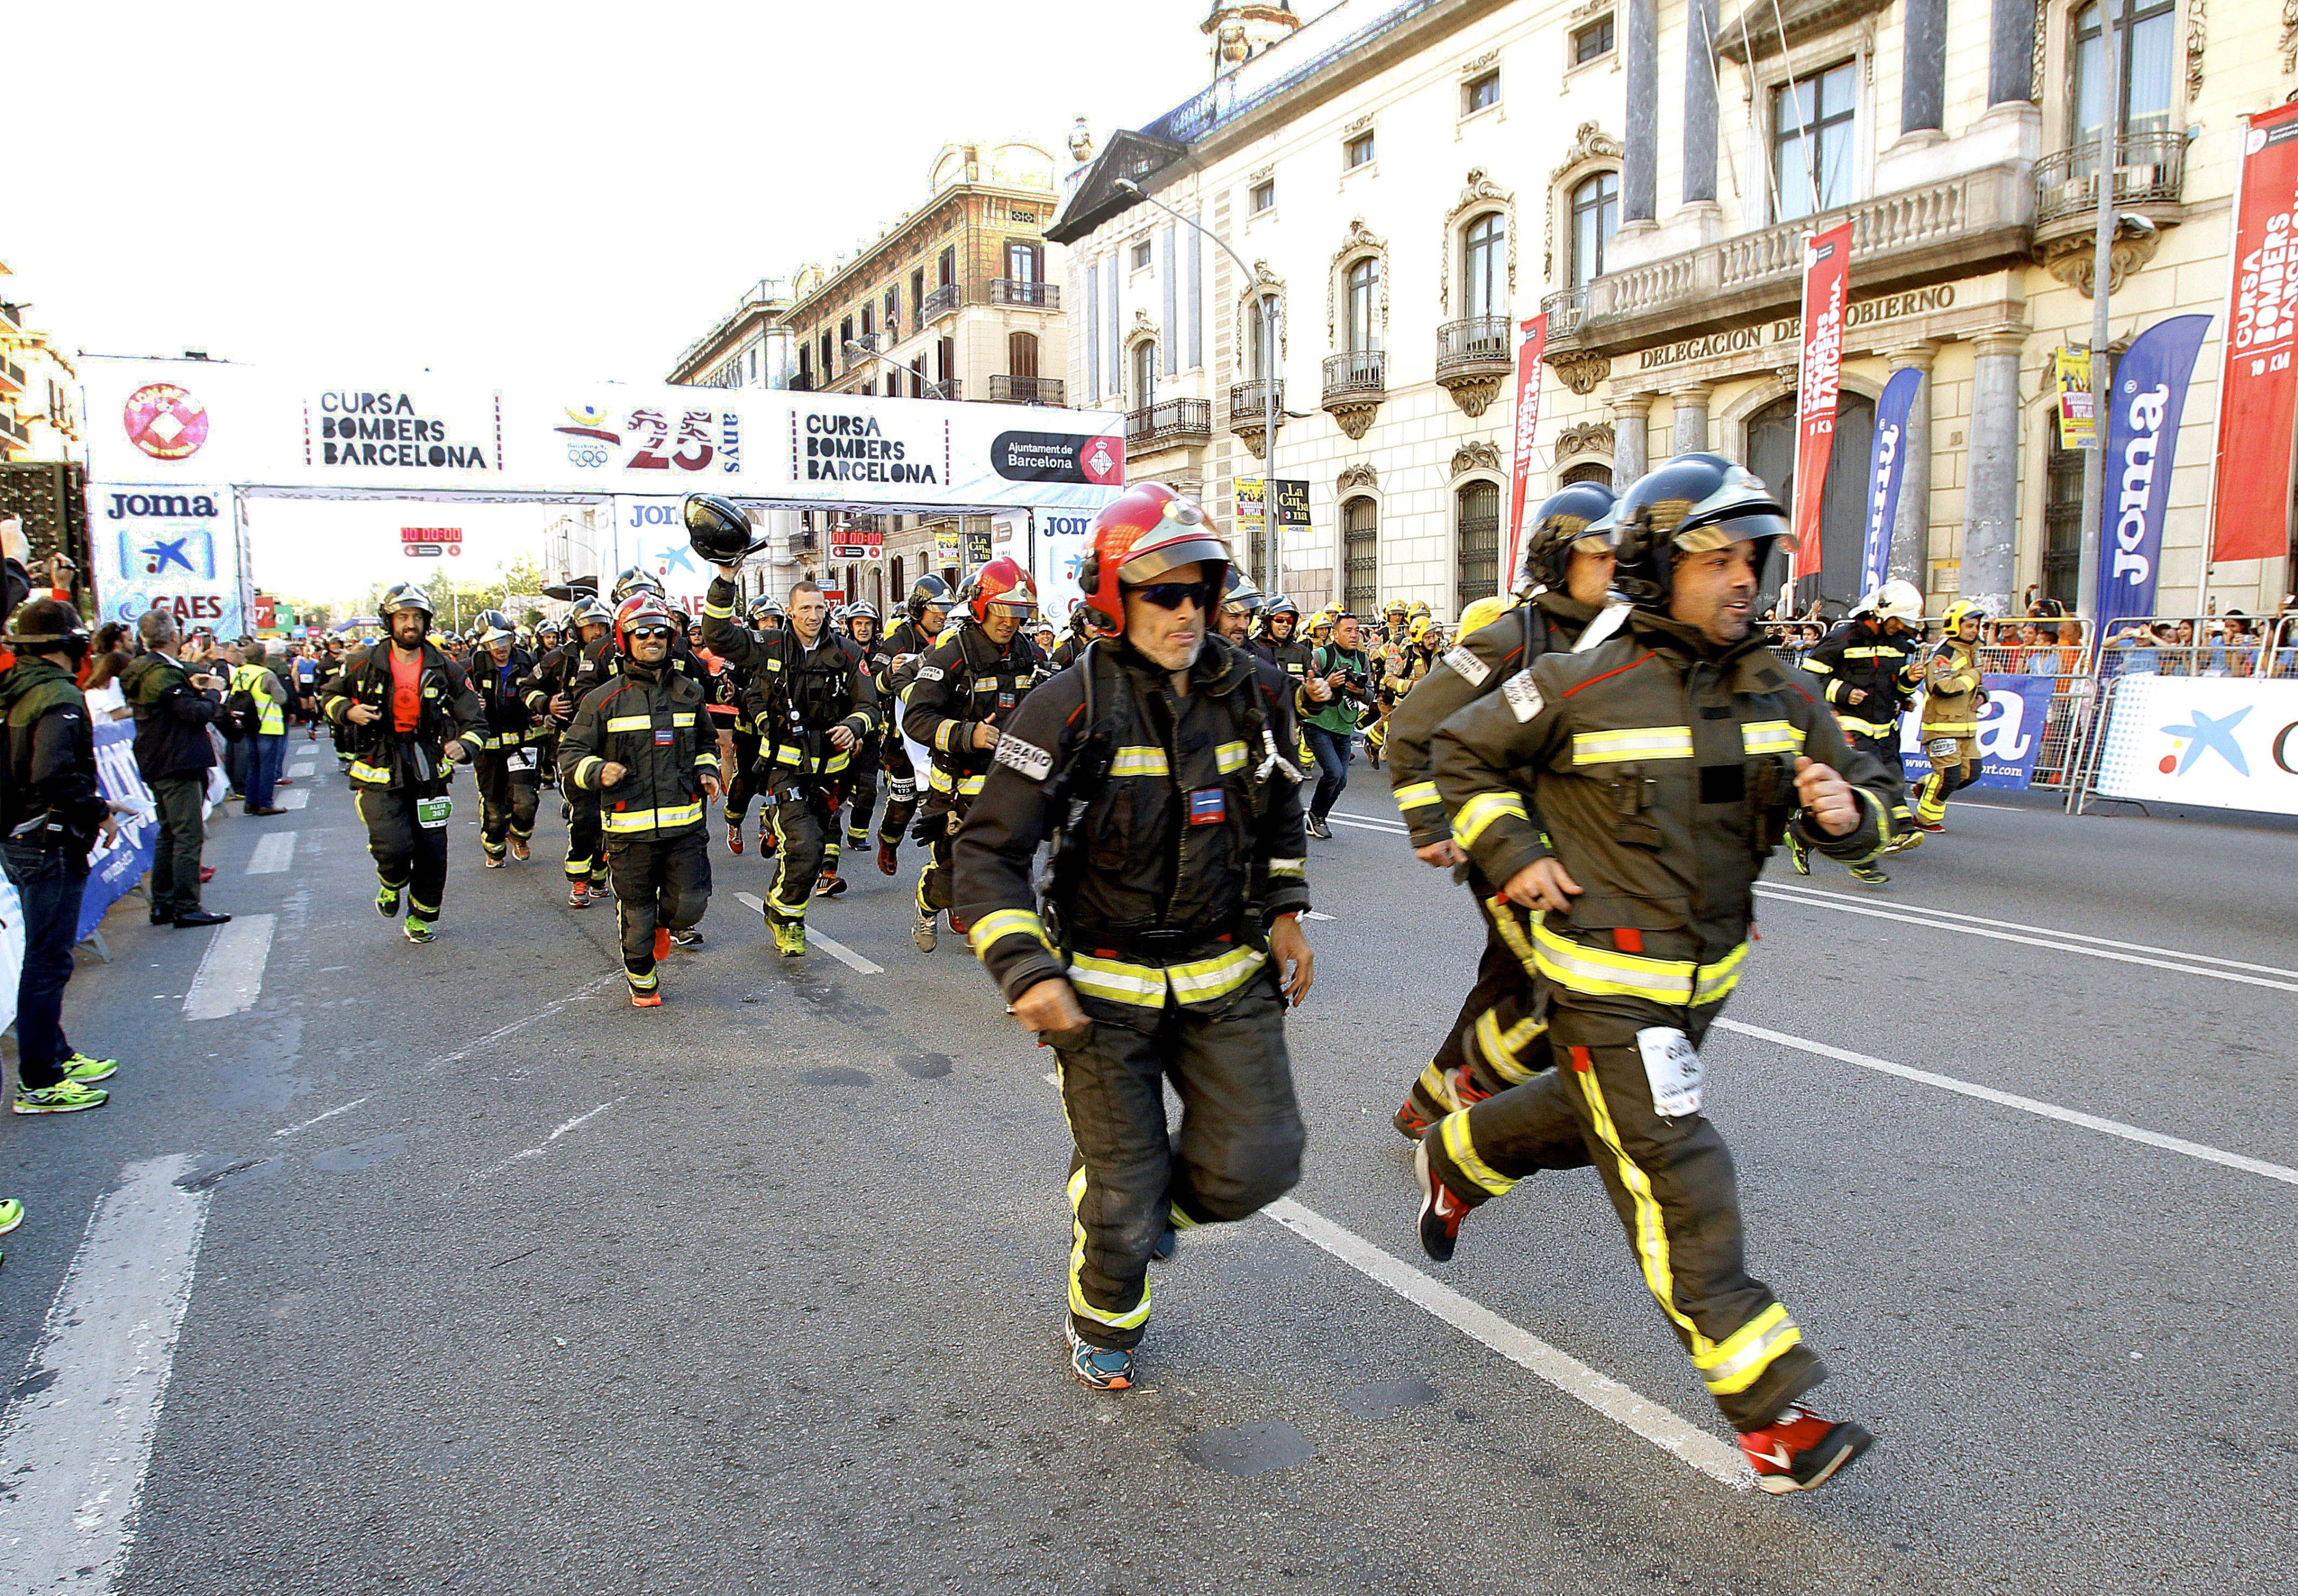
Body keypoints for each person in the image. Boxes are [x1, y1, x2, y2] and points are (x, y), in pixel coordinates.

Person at [1420, 452, 1889, 1493]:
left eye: (1751, 557)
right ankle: (1773, 1414)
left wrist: (1848, 814)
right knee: (1678, 1169)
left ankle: (1460, 1154)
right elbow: (1461, 751)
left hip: (1706, 978)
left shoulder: (1779, 681)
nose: (1743, 578)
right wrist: (1513, 850)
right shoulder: (1583, 675)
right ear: (1655, 565)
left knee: (1590, 1119)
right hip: (1604, 978)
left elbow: (1868, 786)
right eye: (1717, 557)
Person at [953, 481, 1314, 1392]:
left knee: (1260, 1164)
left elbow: (1277, 814)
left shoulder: (1258, 690)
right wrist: (1024, 967)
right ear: (1116, 596)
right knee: (1120, 1202)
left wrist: (1285, 912)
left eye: (1201, 589)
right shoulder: (1063, 705)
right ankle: (1105, 1313)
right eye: (1164, 591)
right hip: (1102, 992)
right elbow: (989, 854)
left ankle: (1136, 1201)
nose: (1187, 610)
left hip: (1225, 973)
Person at [1384, 480, 1619, 1140]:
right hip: (1510, 844)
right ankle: (1475, 1093)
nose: (1616, 567)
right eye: (1601, 554)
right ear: (1557, 558)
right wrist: (1430, 823)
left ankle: (1431, 1101)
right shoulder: (1510, 638)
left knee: (1506, 982)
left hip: (1589, 848)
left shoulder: (1622, 637)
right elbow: (1413, 725)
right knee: (1560, 983)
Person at [701, 575, 877, 955]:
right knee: (805, 845)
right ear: (790, 612)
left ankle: (778, 906)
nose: (813, 616)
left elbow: (869, 706)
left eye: (819, 608)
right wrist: (726, 580)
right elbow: (717, 636)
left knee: (813, 846)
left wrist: (853, 726)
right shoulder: (769, 645)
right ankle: (790, 920)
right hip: (785, 768)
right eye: (806, 609)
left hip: (832, 772)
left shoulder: (847, 653)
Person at [560, 594, 720, 1003]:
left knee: (691, 904)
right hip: (628, 831)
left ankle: (666, 928)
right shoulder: (602, 700)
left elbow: (706, 740)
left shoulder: (690, 692)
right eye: (642, 633)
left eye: (660, 633)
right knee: (637, 912)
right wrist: (598, 771)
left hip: (684, 825)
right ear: (624, 639)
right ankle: (641, 974)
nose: (652, 639)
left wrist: (706, 770)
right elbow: (571, 753)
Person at [2, 600, 122, 1116]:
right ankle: (41, 1081)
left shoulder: (18, 688)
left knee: (45, 956)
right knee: (47, 961)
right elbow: (52, 771)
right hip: (46, 838)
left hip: (23, 836)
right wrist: (98, 810)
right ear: (70, 644)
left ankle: (55, 1053)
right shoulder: (54, 695)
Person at [323, 584, 484, 943]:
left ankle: (420, 917)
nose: (410, 624)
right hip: (378, 765)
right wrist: (348, 711)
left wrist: (465, 744)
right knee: (394, 845)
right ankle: (390, 882)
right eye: (402, 617)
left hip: (428, 766)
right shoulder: (362, 662)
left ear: (426, 622)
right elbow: (330, 695)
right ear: (390, 622)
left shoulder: (448, 668)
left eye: (416, 617)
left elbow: (474, 719)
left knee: (432, 851)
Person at [903, 557, 1044, 952]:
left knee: (1013, 875)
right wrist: (969, 734)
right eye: (1002, 610)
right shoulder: (951, 655)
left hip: (1010, 788)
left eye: (1018, 613)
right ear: (982, 606)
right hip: (954, 793)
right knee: (954, 878)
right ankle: (929, 902)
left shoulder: (1029, 656)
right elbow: (916, 719)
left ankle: (1018, 966)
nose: (1009, 622)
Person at [1794, 579, 1923, 882]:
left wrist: (1908, 688)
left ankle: (1804, 837)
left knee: (1891, 781)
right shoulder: (1845, 638)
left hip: (1885, 728)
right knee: (1867, 790)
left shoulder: (1900, 645)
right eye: (1898, 621)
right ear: (1882, 613)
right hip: (1850, 726)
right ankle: (1865, 860)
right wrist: (1843, 692)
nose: (1901, 628)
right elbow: (1809, 681)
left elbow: (1894, 684)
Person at [121, 608, 230, 928]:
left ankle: (164, 903)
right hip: (177, 758)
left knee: (170, 832)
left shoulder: (147, 669)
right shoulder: (160, 674)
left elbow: (174, 689)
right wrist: (214, 693)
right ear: (174, 637)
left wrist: (192, 679)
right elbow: (193, 712)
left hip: (161, 757)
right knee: (187, 834)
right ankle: (185, 905)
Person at [530, 597, 617, 904]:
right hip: (574, 748)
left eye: (600, 625)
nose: (596, 631)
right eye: (589, 626)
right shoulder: (558, 660)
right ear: (576, 629)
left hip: (612, 748)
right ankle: (579, 880)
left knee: (612, 817)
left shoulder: (616, 653)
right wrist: (546, 704)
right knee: (586, 817)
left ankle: (599, 872)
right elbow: (528, 688)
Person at [871, 573, 955, 877]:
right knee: (904, 802)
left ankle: (946, 878)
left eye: (947, 607)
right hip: (901, 739)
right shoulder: (898, 642)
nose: (943, 614)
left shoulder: (952, 639)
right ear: (920, 609)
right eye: (936, 608)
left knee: (945, 809)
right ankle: (888, 840)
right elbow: (872, 686)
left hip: (941, 734)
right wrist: (890, 674)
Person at [465, 610, 543, 867]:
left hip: (522, 743)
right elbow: (452, 700)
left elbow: (542, 691)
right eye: (492, 643)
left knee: (525, 802)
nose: (500, 648)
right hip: (488, 748)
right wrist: (469, 705)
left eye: (504, 640)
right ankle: (495, 849)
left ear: (512, 638)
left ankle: (520, 837)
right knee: (495, 811)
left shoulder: (528, 662)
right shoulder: (471, 667)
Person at [1300, 611, 1375, 838]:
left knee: (1341, 780)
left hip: (1344, 728)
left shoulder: (1362, 659)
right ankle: (1316, 816)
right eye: (1348, 631)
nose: (1354, 636)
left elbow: (1371, 696)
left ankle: (1317, 816)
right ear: (1335, 633)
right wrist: (1329, 683)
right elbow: (1307, 688)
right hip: (1318, 724)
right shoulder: (1321, 655)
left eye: (1356, 631)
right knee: (1333, 772)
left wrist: (1360, 691)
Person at [1912, 600, 1985, 834]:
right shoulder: (1944, 654)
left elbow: (1978, 684)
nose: (1974, 630)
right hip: (1942, 727)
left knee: (1971, 773)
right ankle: (1925, 819)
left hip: (1966, 727)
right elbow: (1942, 687)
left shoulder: (1973, 651)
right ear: (1955, 626)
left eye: (1976, 626)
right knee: (1949, 776)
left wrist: (1982, 695)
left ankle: (1926, 786)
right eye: (1970, 626)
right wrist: (1975, 676)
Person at [230, 641, 294, 816]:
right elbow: (281, 698)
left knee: (253, 765)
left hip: (248, 724)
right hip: (267, 725)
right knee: (267, 766)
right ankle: (266, 803)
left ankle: (250, 803)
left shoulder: (239, 673)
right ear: (263, 656)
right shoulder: (266, 674)